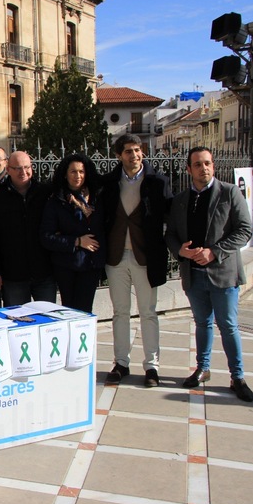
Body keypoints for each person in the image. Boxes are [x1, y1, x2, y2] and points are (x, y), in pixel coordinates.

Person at [165, 147, 253, 402]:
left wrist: (214, 252)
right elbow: (170, 234)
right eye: (198, 164)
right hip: (193, 275)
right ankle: (203, 369)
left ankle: (237, 377)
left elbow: (244, 230)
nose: (203, 168)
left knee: (228, 326)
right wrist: (179, 250)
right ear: (188, 169)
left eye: (207, 163)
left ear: (213, 166)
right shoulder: (180, 200)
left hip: (223, 274)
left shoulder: (229, 193)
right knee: (202, 324)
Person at [102, 134, 172, 387]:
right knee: (120, 312)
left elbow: (170, 216)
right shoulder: (109, 183)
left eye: (137, 150)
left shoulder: (158, 182)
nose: (134, 155)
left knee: (148, 313)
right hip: (116, 257)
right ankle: (121, 362)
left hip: (146, 257)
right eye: (128, 151)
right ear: (119, 155)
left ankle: (152, 366)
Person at [0, 150, 55, 306]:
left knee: (48, 318)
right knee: (17, 319)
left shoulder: (45, 194)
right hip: (13, 276)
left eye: (27, 167)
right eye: (18, 168)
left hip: (43, 272)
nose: (23, 172)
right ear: (8, 169)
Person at [40, 154, 106, 313]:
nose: (78, 176)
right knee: (70, 311)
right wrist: (77, 241)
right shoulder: (56, 201)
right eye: (73, 172)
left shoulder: (96, 198)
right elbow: (46, 237)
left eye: (81, 172)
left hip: (91, 264)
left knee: (85, 310)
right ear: (65, 174)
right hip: (66, 265)